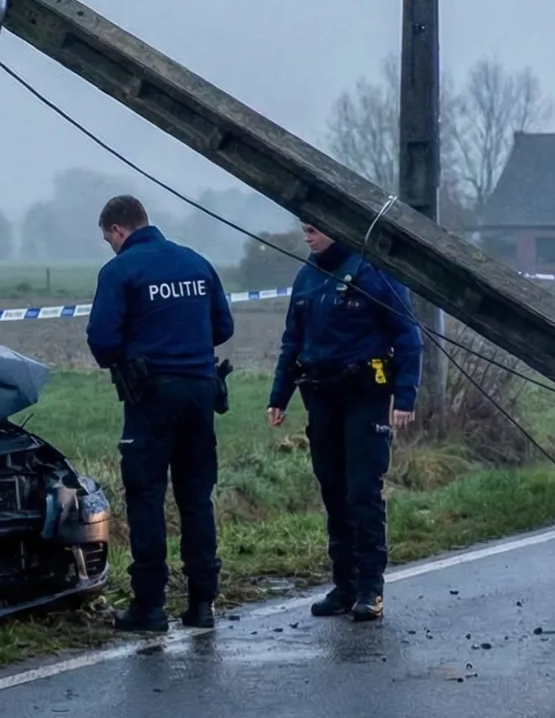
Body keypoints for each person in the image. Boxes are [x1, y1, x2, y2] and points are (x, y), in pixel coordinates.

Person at [86, 195, 234, 633]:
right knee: (196, 497)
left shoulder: (120, 270)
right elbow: (223, 327)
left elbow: (102, 342)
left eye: (109, 239)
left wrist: (137, 348)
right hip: (200, 391)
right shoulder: (195, 262)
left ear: (117, 230)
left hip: (150, 396)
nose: (111, 246)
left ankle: (149, 606)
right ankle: (202, 603)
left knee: (146, 496)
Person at [267, 224, 422, 622]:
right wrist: (279, 396)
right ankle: (344, 585)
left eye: (314, 229)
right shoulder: (307, 276)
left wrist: (405, 396)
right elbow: (292, 340)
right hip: (320, 397)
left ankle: (370, 589)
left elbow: (406, 334)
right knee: (333, 491)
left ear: (336, 228)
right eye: (304, 229)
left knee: (363, 492)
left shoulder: (373, 272)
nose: (308, 237)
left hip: (365, 397)